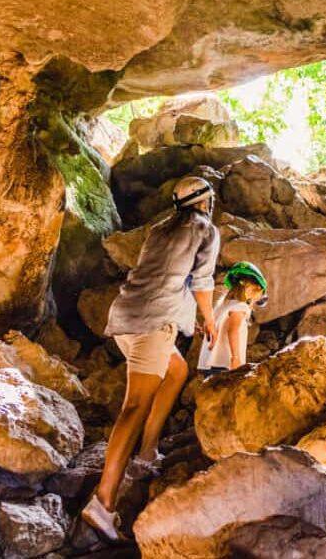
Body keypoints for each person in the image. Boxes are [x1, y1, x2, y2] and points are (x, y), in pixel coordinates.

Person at [81, 176, 220, 541]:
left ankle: (147, 452)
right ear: (205, 201)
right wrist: (209, 319)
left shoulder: (160, 229)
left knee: (176, 370)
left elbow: (163, 274)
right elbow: (203, 281)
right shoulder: (205, 228)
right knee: (135, 406)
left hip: (125, 317)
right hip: (154, 324)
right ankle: (103, 502)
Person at [197, 261, 268, 376]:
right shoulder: (240, 307)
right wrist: (236, 358)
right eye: (259, 294)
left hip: (209, 361)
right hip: (224, 363)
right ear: (253, 289)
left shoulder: (223, 306)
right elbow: (233, 330)